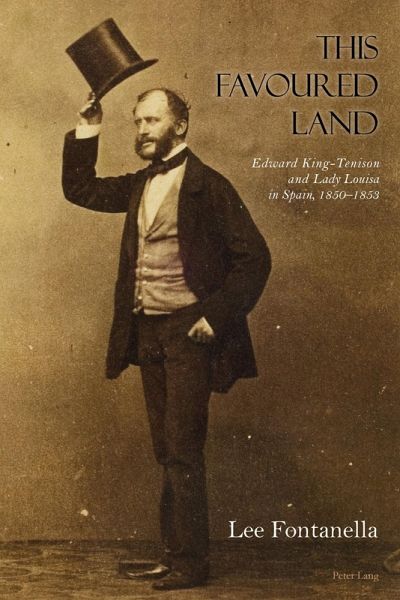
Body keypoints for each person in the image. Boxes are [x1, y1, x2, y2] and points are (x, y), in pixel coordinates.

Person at [62, 88, 271, 590]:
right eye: (137, 122)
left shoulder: (209, 186)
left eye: (152, 121)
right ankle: (174, 556)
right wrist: (89, 126)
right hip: (148, 331)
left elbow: (255, 259)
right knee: (167, 448)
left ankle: (191, 565)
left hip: (188, 334)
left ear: (180, 126)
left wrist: (215, 317)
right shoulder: (141, 182)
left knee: (182, 449)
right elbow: (81, 189)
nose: (142, 131)